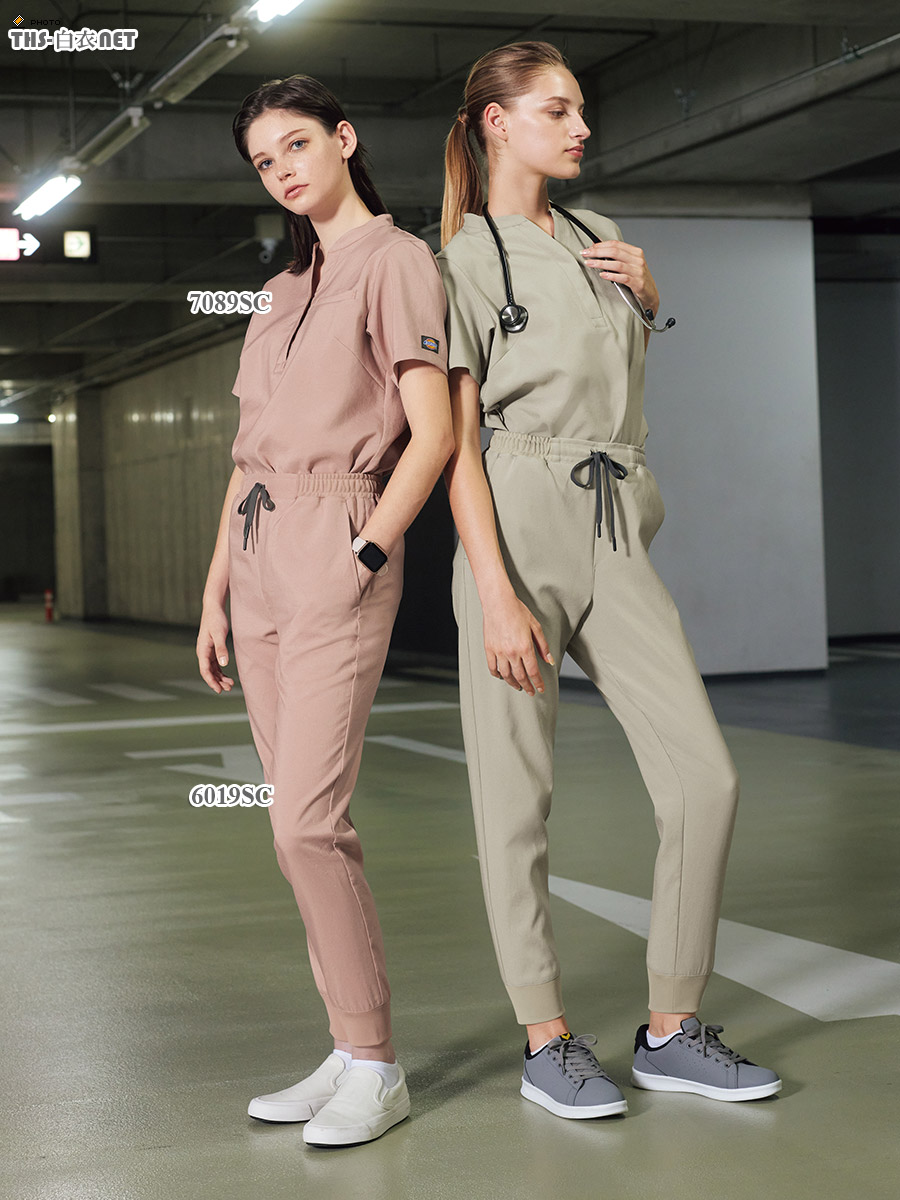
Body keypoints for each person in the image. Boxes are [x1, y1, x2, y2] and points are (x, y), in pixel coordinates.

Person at [438, 41, 781, 1118]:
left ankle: (672, 1030)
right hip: (516, 520)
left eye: (581, 109)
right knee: (516, 800)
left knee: (705, 779)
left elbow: (612, 389)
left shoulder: (600, 237)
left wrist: (650, 296)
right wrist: (495, 589)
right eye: (558, 109)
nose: (582, 126)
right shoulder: (460, 260)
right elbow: (453, 445)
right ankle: (546, 1041)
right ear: (496, 123)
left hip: (615, 520)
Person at [196, 74, 454, 1147]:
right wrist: (215, 588)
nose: (283, 170)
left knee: (310, 820)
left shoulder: (396, 262)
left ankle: (379, 1065)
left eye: (297, 145)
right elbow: (245, 455)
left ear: (345, 139)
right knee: (287, 825)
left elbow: (432, 432)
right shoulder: (277, 291)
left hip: (335, 540)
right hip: (256, 548)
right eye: (265, 161)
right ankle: (347, 1049)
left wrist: (365, 548)